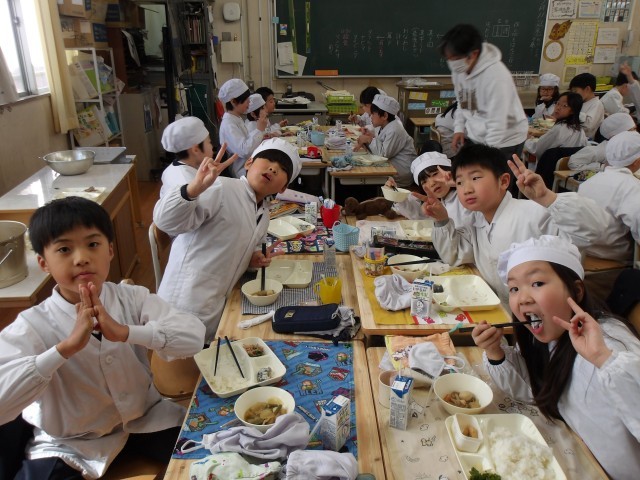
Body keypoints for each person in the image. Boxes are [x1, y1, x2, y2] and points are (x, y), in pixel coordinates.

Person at [0, 197, 205, 479]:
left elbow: (194, 337)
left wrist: (126, 332)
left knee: (217, 456)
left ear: (109, 250)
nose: (81, 257)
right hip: (70, 444)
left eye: (93, 244)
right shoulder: (32, 324)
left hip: (146, 420)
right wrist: (64, 349)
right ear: (44, 263)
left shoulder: (132, 298)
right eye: (64, 249)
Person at [471, 235, 640, 479]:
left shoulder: (610, 346)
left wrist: (603, 359)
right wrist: (495, 352)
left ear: (576, 290)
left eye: (537, 283)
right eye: (514, 288)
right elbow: (536, 390)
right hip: (582, 458)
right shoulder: (550, 337)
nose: (523, 298)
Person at [424, 143, 612, 303]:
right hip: (503, 310)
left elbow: (590, 232)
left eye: (475, 178)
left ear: (504, 181)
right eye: (459, 183)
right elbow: (456, 255)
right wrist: (441, 220)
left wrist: (548, 198)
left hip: (544, 314)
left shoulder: (533, 213)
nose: (467, 189)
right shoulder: (476, 222)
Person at [153, 138, 302, 341]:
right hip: (184, 304)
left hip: (217, 307)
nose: (273, 168)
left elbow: (245, 243)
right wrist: (193, 189)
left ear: (283, 188)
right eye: (268, 159)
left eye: (282, 169)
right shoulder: (221, 188)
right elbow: (166, 221)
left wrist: (253, 258)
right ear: (248, 163)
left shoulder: (263, 213)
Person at [439, 24, 528, 172]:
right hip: (478, 135)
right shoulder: (460, 70)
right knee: (469, 173)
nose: (452, 64)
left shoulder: (496, 76)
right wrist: (459, 128)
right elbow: (464, 102)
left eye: (455, 58)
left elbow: (497, 123)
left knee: (495, 179)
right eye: (448, 59)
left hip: (505, 139)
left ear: (473, 54)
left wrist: (486, 157)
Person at [577, 130, 640, 263]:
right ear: (637, 162)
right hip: (612, 255)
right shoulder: (632, 187)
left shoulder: (590, 181)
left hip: (583, 249)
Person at [386, 151, 469, 227]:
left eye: (435, 174)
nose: (432, 183)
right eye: (424, 182)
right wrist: (397, 194)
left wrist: (460, 182)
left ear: (449, 171)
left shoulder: (466, 198)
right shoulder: (442, 202)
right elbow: (420, 216)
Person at [355, 94, 416, 188]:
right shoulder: (385, 126)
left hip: (400, 173)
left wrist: (369, 139)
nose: (371, 117)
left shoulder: (395, 129)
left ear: (384, 116)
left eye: (373, 114)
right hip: (391, 166)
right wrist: (369, 137)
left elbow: (383, 154)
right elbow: (381, 144)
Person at [218, 78, 266, 178]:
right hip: (240, 171)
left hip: (247, 165)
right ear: (233, 101)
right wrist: (259, 130)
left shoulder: (236, 118)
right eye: (246, 100)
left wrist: (262, 135)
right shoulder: (228, 124)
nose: (249, 103)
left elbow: (246, 139)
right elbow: (244, 151)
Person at [159, 116, 213, 198]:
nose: (212, 146)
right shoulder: (189, 183)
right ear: (195, 149)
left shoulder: (172, 168)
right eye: (209, 142)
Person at [524, 92, 588, 160]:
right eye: (557, 103)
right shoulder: (579, 129)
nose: (558, 108)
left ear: (573, 110)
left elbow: (537, 149)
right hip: (568, 165)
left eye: (564, 106)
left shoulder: (559, 129)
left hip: (551, 165)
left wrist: (528, 140)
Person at [568, 112, 637, 171]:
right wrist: (602, 167)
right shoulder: (601, 150)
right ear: (615, 135)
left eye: (635, 129)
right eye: (631, 131)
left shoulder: (632, 147)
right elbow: (573, 163)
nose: (635, 133)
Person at [569, 73, 605, 139]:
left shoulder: (597, 104)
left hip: (585, 139)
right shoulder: (581, 102)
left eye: (575, 91)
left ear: (587, 89)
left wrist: (571, 112)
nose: (573, 95)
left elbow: (588, 125)